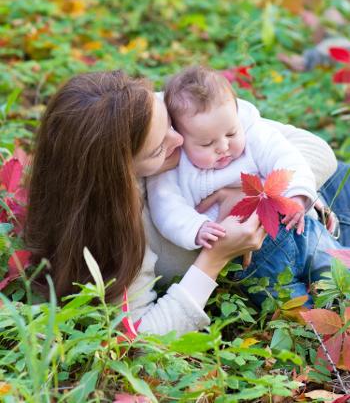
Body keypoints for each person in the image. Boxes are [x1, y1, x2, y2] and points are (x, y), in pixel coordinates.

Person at [24, 70, 344, 335]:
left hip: (317, 206)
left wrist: (263, 197)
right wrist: (213, 259)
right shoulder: (117, 230)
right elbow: (143, 334)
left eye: (171, 127)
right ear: (119, 173)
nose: (179, 140)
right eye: (158, 149)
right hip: (273, 262)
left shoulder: (161, 114)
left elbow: (313, 150)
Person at [147, 66, 317, 251]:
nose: (223, 147)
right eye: (206, 144)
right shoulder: (172, 166)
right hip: (245, 248)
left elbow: (287, 159)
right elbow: (166, 206)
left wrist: (297, 196)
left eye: (231, 134)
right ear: (179, 137)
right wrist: (196, 228)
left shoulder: (253, 135)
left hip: (291, 224)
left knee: (326, 258)